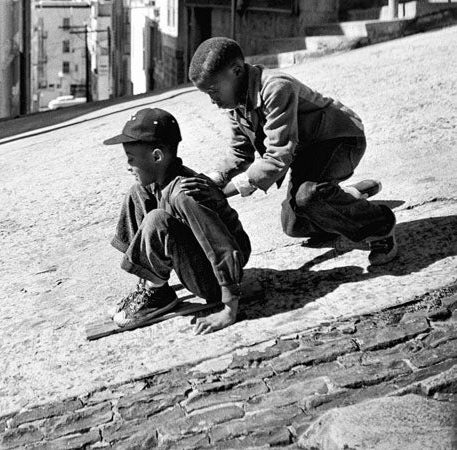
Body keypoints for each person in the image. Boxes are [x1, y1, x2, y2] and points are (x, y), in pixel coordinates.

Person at [187, 37, 397, 266]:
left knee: (308, 196)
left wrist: (226, 192)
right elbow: (240, 153)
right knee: (294, 226)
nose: (212, 100)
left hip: (340, 140)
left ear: (236, 71)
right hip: (307, 152)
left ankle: (380, 227)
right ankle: (347, 199)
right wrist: (213, 180)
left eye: (213, 91)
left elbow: (279, 156)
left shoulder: (276, 87)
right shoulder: (237, 102)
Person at [105, 107, 251, 334]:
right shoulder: (158, 180)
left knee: (157, 220)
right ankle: (153, 285)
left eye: (131, 159)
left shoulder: (185, 193)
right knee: (137, 192)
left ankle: (157, 293)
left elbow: (224, 248)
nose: (128, 165)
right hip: (200, 260)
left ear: (156, 156)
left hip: (215, 278)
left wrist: (229, 309)